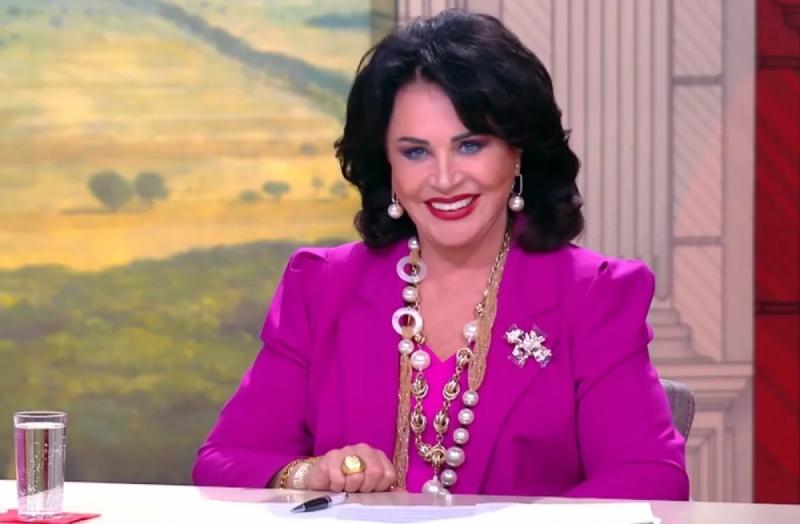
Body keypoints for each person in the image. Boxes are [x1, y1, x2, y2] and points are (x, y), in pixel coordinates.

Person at [192, 9, 689, 499]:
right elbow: (224, 459)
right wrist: (312, 474)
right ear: (387, 164)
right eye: (415, 152)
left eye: (470, 146)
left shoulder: (594, 295)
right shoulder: (322, 286)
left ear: (518, 151)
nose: (445, 178)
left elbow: (650, 477)